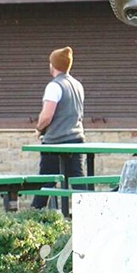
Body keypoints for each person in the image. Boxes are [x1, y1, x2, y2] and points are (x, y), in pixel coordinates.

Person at [33, 46, 85, 209]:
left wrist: (39, 128)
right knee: (78, 181)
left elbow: (47, 115)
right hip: (76, 139)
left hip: (55, 142)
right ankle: (88, 212)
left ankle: (36, 215)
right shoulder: (77, 85)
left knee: (46, 181)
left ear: (53, 65)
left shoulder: (54, 86)